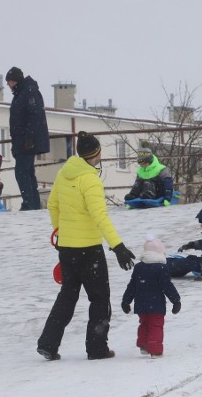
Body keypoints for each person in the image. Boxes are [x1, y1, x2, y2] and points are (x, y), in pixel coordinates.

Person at [37, 131, 135, 361]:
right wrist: (118, 246)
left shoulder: (64, 173)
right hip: (90, 249)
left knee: (67, 296)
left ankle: (48, 344)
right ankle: (97, 348)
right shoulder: (90, 179)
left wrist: (60, 233)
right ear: (97, 154)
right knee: (99, 299)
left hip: (67, 248)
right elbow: (100, 216)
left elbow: (52, 205)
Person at [121, 234, 182, 358]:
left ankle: (143, 345)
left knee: (144, 323)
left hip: (141, 304)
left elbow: (132, 285)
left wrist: (126, 301)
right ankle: (154, 350)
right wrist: (176, 300)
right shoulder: (161, 268)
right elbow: (167, 286)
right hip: (156, 305)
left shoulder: (139, 267)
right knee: (155, 326)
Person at [6, 66, 49, 211]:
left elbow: (34, 116)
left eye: (9, 81)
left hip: (26, 141)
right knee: (27, 172)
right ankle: (31, 202)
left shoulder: (27, 92)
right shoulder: (23, 92)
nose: (8, 85)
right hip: (22, 140)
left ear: (15, 80)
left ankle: (29, 203)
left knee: (22, 172)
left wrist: (29, 138)